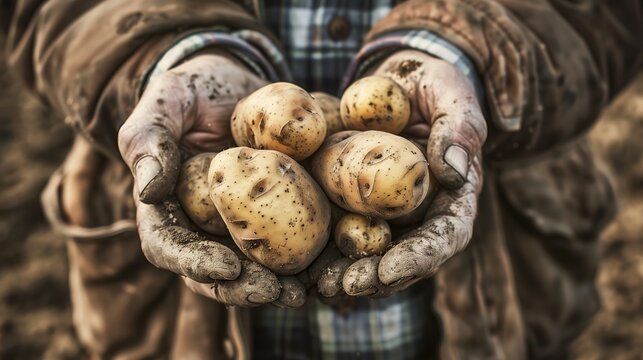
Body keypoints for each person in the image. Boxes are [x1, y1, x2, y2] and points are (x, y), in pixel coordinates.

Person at [2, 0, 642, 359]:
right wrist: (171, 56)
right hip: (174, 325)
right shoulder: (243, 158)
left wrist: (463, 56)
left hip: (497, 292)